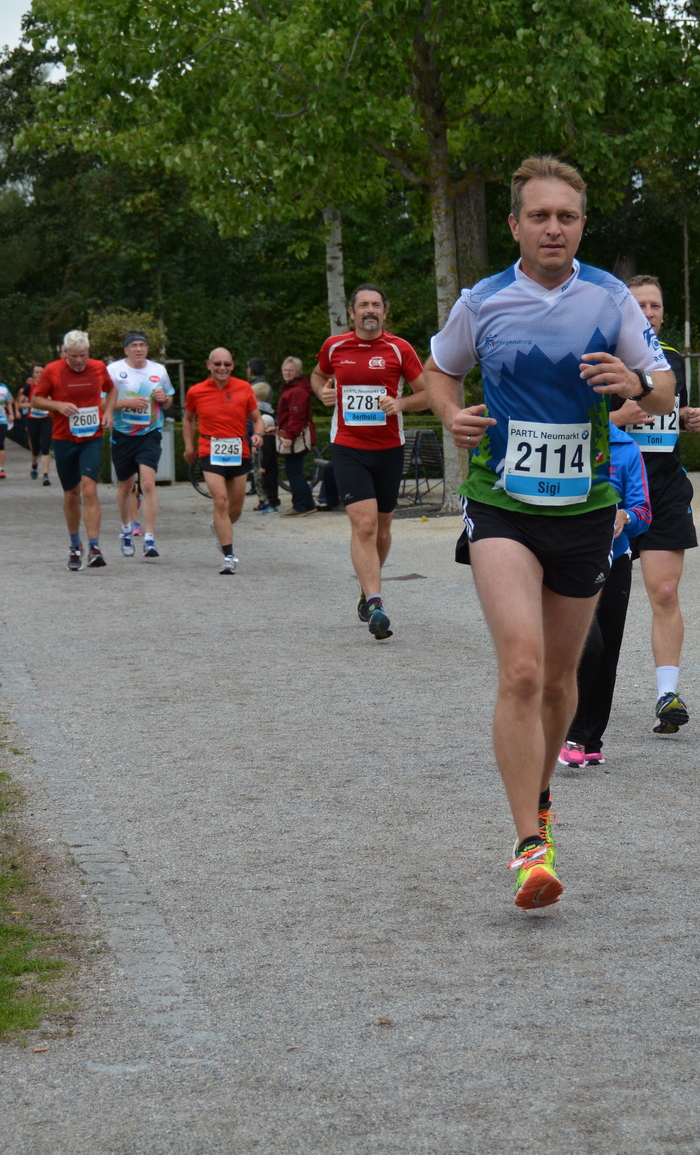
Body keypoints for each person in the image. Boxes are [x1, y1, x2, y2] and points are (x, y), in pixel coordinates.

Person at [426, 155, 675, 909]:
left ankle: (539, 801)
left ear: (582, 225)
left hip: (585, 507)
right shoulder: (484, 300)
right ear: (515, 225)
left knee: (563, 679)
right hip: (501, 502)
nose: (553, 227)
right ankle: (528, 845)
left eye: (566, 216)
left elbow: (663, 385)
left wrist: (635, 384)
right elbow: (441, 370)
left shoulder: (608, 299)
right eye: (539, 215)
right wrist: (449, 413)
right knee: (524, 668)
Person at [612, 275, 700, 735]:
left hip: (665, 487)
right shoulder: (604, 356)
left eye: (655, 304)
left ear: (663, 313)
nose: (648, 312)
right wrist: (616, 418)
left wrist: (689, 418)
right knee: (590, 598)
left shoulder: (670, 360)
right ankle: (573, 692)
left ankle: (667, 694)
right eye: (639, 304)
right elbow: (573, 425)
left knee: (665, 592)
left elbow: (671, 417)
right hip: (610, 487)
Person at [314, 284, 427, 639]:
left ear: (384, 311)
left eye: (376, 305)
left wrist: (401, 404)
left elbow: (427, 393)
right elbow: (318, 375)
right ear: (352, 312)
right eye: (363, 304)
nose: (369, 310)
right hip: (348, 446)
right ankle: (377, 603)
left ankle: (367, 587)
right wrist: (322, 391)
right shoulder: (335, 347)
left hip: (389, 448)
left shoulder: (399, 348)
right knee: (363, 525)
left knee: (381, 527)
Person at [559, 421, 651, 766]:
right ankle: (573, 733)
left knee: (608, 652)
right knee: (589, 645)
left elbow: (644, 511)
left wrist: (625, 517)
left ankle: (593, 737)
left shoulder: (625, 448)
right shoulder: (557, 433)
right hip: (567, 559)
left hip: (615, 560)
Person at [31, 330, 114, 570]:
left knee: (89, 488)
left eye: (84, 356)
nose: (79, 361)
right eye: (75, 356)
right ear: (65, 353)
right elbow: (37, 399)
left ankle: (95, 547)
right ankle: (75, 545)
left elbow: (112, 389)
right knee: (71, 494)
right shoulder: (52, 370)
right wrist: (57, 404)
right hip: (64, 439)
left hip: (92, 437)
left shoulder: (98, 367)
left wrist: (107, 412)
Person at [182, 348, 264, 574]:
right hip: (210, 449)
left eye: (226, 364)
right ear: (209, 365)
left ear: (232, 366)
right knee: (220, 501)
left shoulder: (244, 388)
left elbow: (257, 419)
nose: (222, 368)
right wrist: (189, 447)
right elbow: (188, 420)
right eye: (217, 364)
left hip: (239, 450)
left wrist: (258, 434)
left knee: (235, 509)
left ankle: (218, 526)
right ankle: (229, 557)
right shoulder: (196, 391)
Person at [105, 331, 171, 558]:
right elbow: (103, 402)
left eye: (142, 345)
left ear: (147, 349)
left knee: (148, 484)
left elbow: (170, 398)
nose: (138, 349)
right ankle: (125, 529)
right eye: (133, 345)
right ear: (126, 350)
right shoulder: (113, 371)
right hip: (123, 435)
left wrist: (164, 399)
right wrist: (126, 403)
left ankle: (150, 538)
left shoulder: (158, 370)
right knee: (125, 486)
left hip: (149, 433)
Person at [275, 357, 317, 516]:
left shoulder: (297, 391)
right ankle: (307, 504)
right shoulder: (294, 388)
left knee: (294, 472)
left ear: (298, 372)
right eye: (285, 370)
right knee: (295, 471)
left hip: (295, 437)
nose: (287, 373)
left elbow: (296, 416)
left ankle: (300, 506)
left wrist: (289, 436)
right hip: (295, 435)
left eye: (290, 370)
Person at [248, 357, 280, 514]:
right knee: (271, 473)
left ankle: (265, 499)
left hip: (260, 442)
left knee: (261, 471)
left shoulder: (252, 388)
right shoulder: (268, 387)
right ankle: (271, 500)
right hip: (270, 442)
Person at [20, 370, 53, 484]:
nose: (39, 375)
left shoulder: (49, 385)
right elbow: (19, 403)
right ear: (33, 374)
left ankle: (45, 475)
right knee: (35, 447)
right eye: (36, 372)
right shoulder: (29, 387)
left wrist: (49, 402)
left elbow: (54, 400)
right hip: (33, 420)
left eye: (41, 372)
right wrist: (30, 404)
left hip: (46, 419)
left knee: (45, 446)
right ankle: (34, 465)